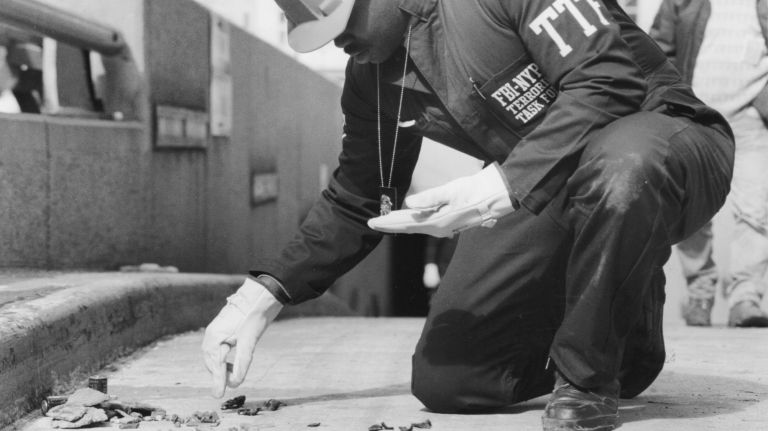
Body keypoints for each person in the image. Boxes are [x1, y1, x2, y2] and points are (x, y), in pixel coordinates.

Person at [202, 1, 734, 430]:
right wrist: (262, 295)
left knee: (623, 167)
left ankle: (588, 381)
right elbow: (357, 197)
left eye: (338, 21)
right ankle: (627, 335)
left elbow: (608, 82)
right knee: (450, 380)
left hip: (661, 139)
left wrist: (498, 184)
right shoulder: (370, 79)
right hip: (550, 183)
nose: (334, 42)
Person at [650, 0, 768, 328]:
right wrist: (674, 102)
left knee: (755, 209)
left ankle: (747, 297)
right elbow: (657, 51)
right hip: (697, 117)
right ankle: (700, 291)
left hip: (749, 117)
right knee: (694, 210)